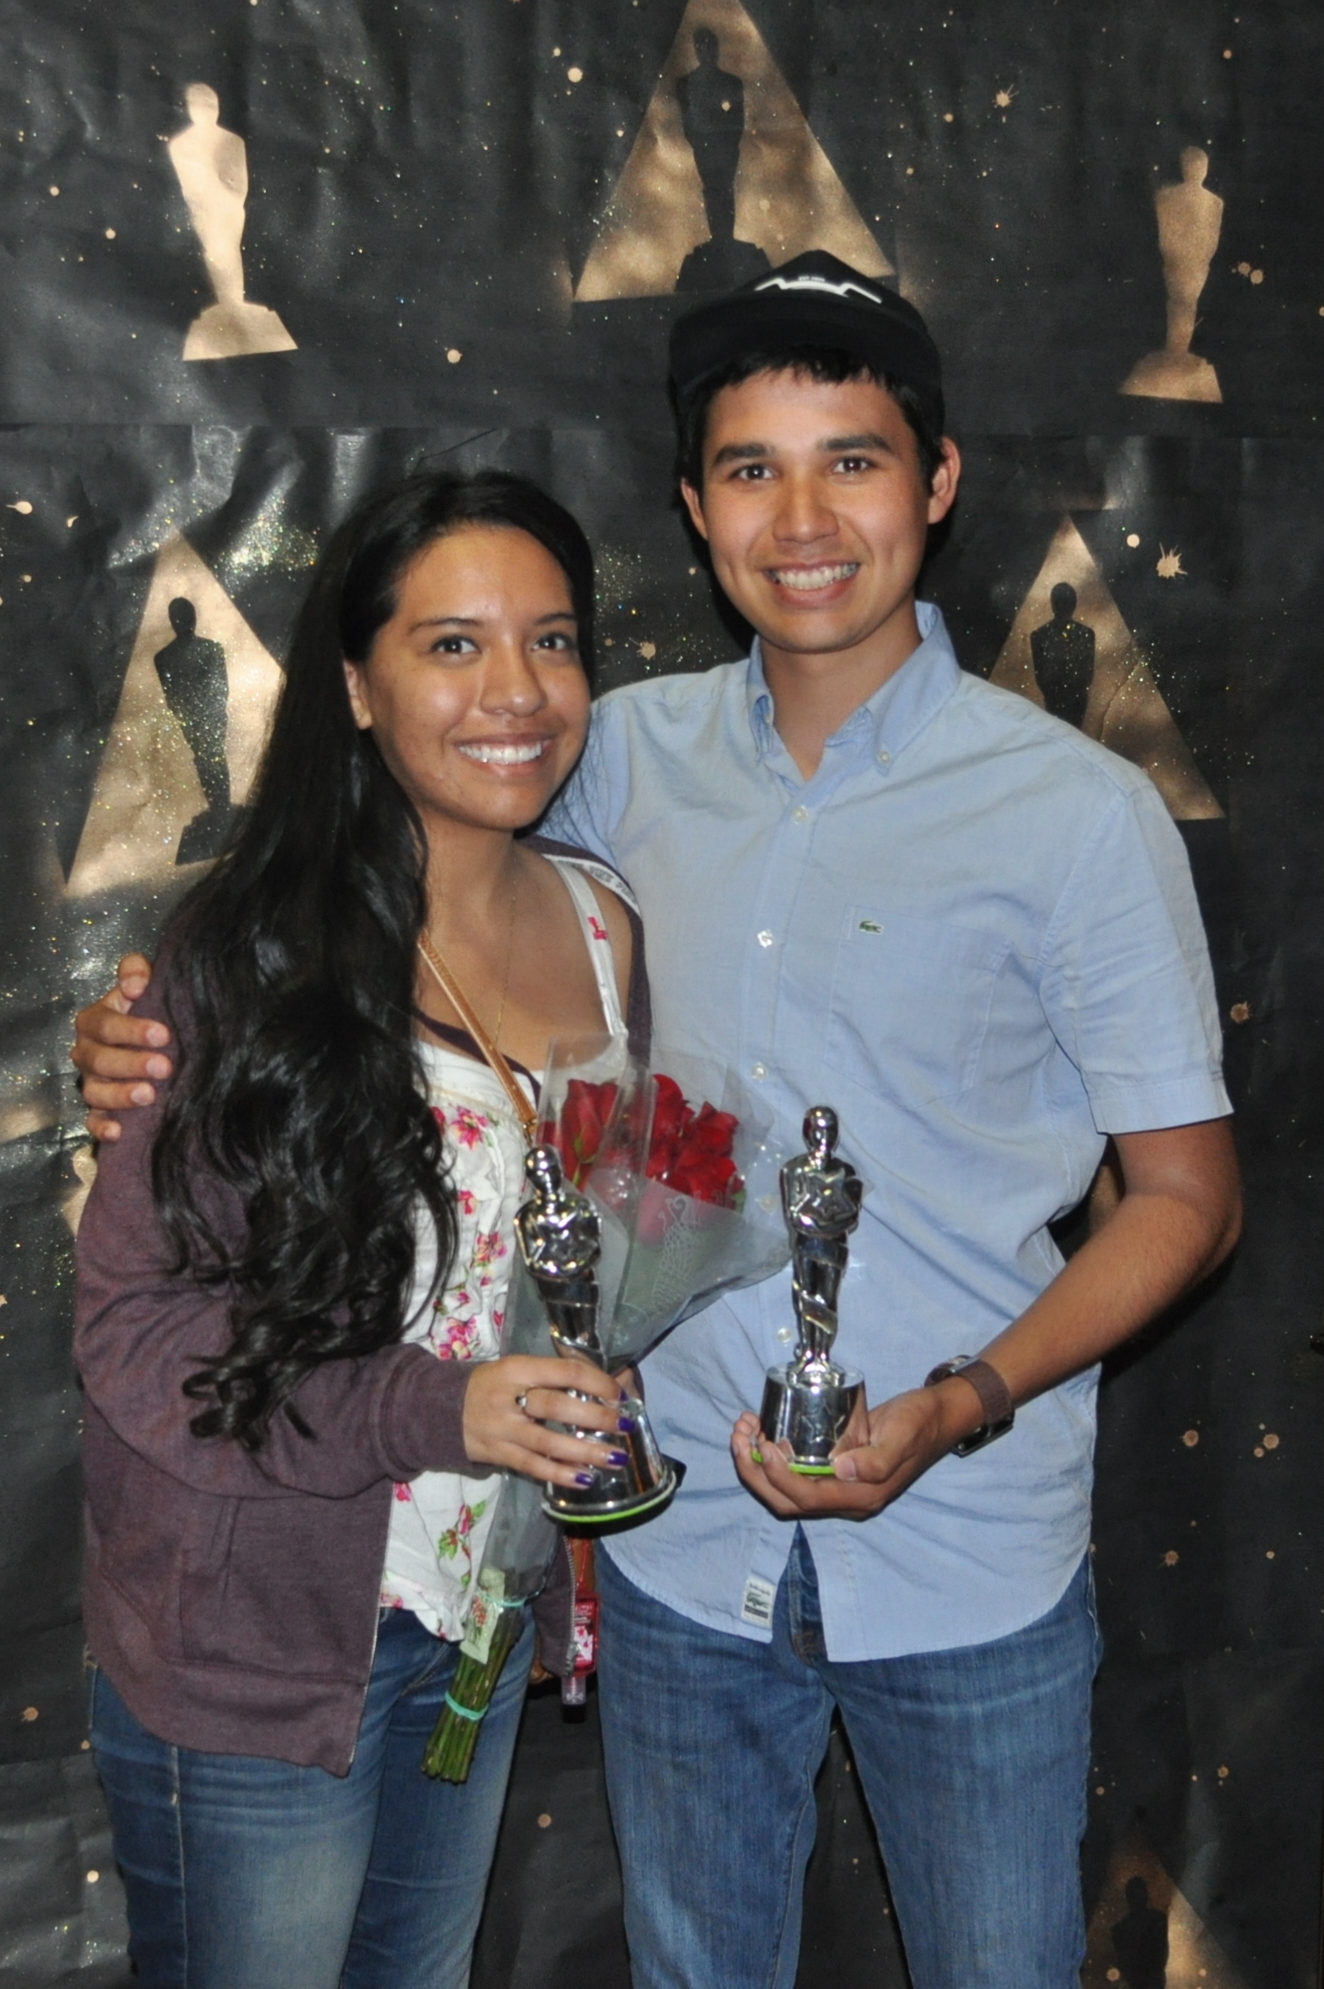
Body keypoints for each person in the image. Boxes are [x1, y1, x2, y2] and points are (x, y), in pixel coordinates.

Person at [75, 255, 1242, 1989]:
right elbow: (374, 880)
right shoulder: (606, 757)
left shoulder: (1078, 816)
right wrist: (144, 1021)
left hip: (962, 1552)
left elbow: (1189, 1198)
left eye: (852, 461)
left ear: (936, 481)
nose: (803, 519)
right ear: (695, 509)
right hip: (672, 1552)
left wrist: (962, 1401)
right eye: (752, 468)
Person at [72, 469, 649, 1989]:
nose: (516, 690)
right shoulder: (245, 958)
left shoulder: (606, 927)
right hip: (254, 1642)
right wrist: (439, 1407)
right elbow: (136, 1332)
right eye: (453, 644)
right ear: (354, 684)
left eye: (552, 639)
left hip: (479, 1611)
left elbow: (607, 1240)